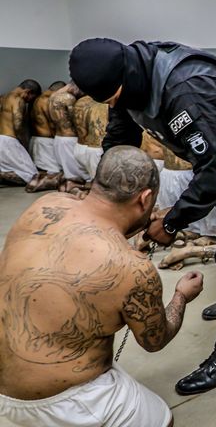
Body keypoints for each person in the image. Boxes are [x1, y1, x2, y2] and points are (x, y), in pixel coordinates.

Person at [68, 37, 216, 395]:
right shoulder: (126, 83)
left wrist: (172, 222)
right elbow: (120, 142)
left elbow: (213, 175)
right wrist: (104, 198)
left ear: (125, 78)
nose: (114, 105)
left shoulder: (186, 88)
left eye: (113, 98)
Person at [0, 146, 203, 427]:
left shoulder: (46, 205)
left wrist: (136, 226)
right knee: (162, 419)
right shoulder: (134, 269)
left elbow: (91, 231)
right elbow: (155, 340)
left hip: (5, 385)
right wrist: (181, 295)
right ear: (145, 198)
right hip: (57, 402)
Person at [26, 81, 66, 192]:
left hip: (35, 139)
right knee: (56, 171)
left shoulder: (35, 100)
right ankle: (40, 183)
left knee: (45, 168)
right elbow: (52, 124)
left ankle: (38, 180)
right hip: (46, 141)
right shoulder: (48, 100)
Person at [0, 80, 41, 186]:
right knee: (32, 176)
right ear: (28, 92)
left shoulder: (3, 97)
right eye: (32, 98)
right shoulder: (18, 100)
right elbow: (18, 124)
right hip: (9, 140)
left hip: (2, 137)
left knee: (11, 169)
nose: (29, 101)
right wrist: (23, 143)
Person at [48, 82, 87, 192]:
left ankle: (66, 185)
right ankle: (73, 187)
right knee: (79, 173)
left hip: (58, 137)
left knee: (68, 170)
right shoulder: (68, 97)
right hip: (69, 138)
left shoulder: (53, 96)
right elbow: (75, 119)